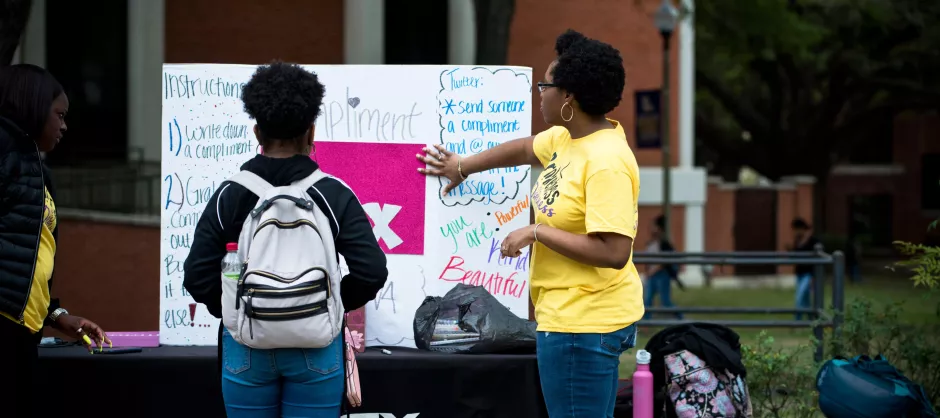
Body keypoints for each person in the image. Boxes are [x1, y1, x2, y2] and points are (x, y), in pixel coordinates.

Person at [418, 29, 642, 417]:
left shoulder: (606, 160)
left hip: (585, 324)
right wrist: (462, 166)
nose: (539, 92)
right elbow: (524, 148)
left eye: (546, 84)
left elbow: (614, 251)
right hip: (566, 318)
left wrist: (536, 231)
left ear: (568, 95)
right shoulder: (566, 138)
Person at [183, 61, 388, 418]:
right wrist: (332, 304)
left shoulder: (229, 195)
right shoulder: (334, 195)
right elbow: (371, 270)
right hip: (317, 347)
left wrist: (238, 312)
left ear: (257, 133)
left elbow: (197, 275)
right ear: (311, 133)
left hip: (246, 347)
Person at [0, 64, 112, 417]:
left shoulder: (35, 165)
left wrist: (56, 313)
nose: (64, 126)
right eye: (59, 115)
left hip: (23, 331)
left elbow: (27, 255)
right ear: (32, 105)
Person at [643, 215, 683, 320]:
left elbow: (664, 261)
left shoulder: (663, 242)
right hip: (653, 275)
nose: (651, 228)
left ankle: (681, 318)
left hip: (661, 275)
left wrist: (652, 271)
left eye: (653, 226)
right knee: (647, 300)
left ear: (659, 228)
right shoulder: (652, 242)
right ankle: (646, 323)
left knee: (665, 301)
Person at [790, 218, 820, 320]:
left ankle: (797, 321)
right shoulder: (797, 240)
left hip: (808, 274)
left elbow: (816, 260)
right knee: (806, 299)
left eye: (797, 229)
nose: (796, 232)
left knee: (799, 297)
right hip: (800, 273)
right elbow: (796, 255)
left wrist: (813, 277)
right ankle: (811, 319)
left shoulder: (813, 241)